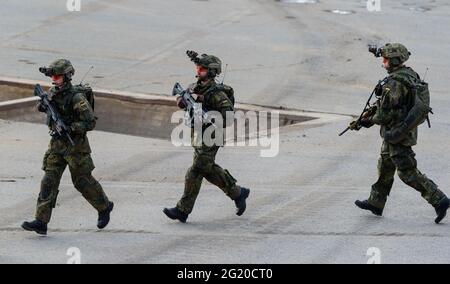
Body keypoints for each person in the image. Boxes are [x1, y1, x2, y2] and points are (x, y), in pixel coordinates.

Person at [22, 59, 114, 235]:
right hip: (57, 145)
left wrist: (71, 128)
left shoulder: (76, 97)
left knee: (82, 181)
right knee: (48, 180)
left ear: (66, 76)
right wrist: (44, 106)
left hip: (75, 147)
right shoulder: (53, 93)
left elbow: (90, 122)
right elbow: (44, 107)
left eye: (57, 76)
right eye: (53, 76)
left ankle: (104, 207)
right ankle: (41, 221)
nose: (54, 79)